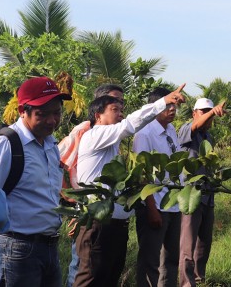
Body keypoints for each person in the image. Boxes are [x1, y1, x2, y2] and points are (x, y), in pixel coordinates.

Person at [73, 84, 185, 287]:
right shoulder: (94, 135)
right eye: (115, 110)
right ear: (98, 115)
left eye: (121, 109)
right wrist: (163, 102)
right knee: (90, 279)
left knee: (109, 278)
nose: (120, 114)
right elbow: (130, 125)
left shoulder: (112, 145)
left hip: (115, 225)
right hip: (99, 225)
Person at [0, 76, 71, 287]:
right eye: (42, 114)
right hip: (17, 248)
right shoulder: (8, 144)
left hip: (49, 246)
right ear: (23, 111)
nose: (52, 120)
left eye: (56, 113)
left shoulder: (50, 143)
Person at [58, 84, 124, 287]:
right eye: (114, 103)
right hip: (88, 212)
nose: (120, 108)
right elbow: (62, 161)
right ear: (99, 108)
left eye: (121, 103)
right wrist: (75, 200)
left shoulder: (111, 134)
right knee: (81, 268)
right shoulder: (86, 130)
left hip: (106, 214)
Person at [133, 87, 182, 287]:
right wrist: (152, 209)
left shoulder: (171, 130)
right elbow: (142, 174)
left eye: (174, 105)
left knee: (171, 260)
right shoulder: (145, 133)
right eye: (168, 105)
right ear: (156, 106)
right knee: (149, 261)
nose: (172, 109)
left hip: (174, 204)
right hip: (156, 206)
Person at [178, 97, 226, 287]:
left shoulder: (209, 138)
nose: (208, 117)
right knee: (187, 247)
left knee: (204, 244)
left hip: (208, 196)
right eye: (203, 112)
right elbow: (197, 126)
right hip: (190, 195)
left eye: (210, 112)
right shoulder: (186, 130)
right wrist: (213, 111)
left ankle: (199, 280)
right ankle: (186, 284)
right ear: (194, 114)